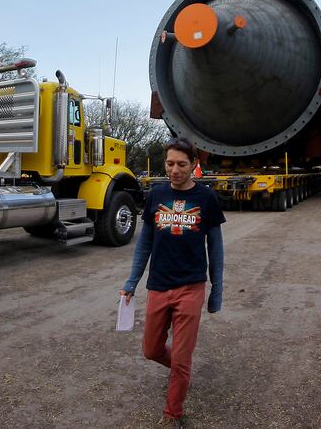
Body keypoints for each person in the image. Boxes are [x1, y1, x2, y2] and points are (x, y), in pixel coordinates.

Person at [119, 137, 225, 425]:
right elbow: (145, 244)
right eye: (169, 163)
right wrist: (132, 282)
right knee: (151, 350)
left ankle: (172, 414)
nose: (174, 170)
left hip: (191, 286)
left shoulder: (206, 198)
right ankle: (183, 369)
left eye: (181, 164)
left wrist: (217, 290)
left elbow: (215, 248)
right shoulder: (156, 194)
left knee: (180, 358)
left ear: (194, 165)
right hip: (159, 285)